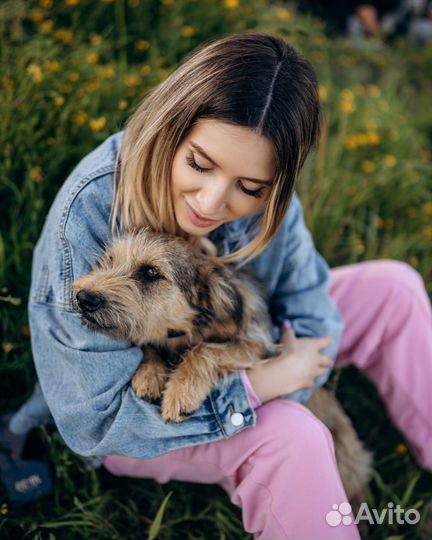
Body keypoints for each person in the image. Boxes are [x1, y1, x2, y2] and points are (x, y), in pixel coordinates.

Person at [8, 32, 432, 539]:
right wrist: (263, 387)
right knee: (295, 437)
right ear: (170, 128)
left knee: (395, 287)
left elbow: (313, 308)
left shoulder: (272, 203)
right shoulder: (89, 212)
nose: (211, 203)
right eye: (199, 165)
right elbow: (97, 423)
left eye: (250, 188)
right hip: (140, 426)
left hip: (251, 344)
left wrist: (296, 372)